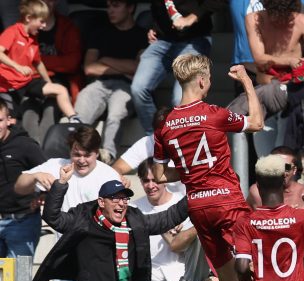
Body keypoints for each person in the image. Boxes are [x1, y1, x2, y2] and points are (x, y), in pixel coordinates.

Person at [152, 54, 262, 281]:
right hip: (225, 200)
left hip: (198, 207)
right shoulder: (214, 113)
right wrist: (248, 84)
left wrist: (190, 170)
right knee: (259, 270)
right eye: (209, 79)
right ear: (202, 80)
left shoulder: (166, 125)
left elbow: (160, 174)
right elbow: (257, 122)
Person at [33, 173, 190, 281]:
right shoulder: (83, 219)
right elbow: (52, 217)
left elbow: (169, 218)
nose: (121, 204)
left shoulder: (133, 221)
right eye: (115, 198)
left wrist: (195, 193)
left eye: (124, 199)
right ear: (101, 202)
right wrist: (60, 184)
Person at [14, 125, 120, 281]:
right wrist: (35, 176)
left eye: (87, 155)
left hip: (97, 259)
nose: (81, 160)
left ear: (97, 152)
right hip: (64, 255)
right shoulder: (57, 166)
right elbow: (19, 187)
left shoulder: (108, 175)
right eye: (76, 154)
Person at [227, 0, 304, 156]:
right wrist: (290, 61)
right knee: (264, 156)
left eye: (284, 16)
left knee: (284, 155)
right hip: (266, 91)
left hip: (292, 91)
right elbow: (260, 59)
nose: (278, 20)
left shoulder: (301, 20)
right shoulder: (254, 18)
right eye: (274, 15)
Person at [131, 0, 226, 135]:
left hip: (195, 39)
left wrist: (191, 18)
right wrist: (155, 26)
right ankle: (156, 140)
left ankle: (182, 145)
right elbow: (157, 6)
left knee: (181, 98)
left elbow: (219, 3)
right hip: (163, 39)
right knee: (138, 88)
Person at [74, 0, 147, 165]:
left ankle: (107, 157)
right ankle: (79, 153)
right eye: (108, 6)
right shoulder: (99, 33)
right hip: (99, 84)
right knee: (81, 111)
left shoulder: (143, 35)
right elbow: (89, 68)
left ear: (130, 7)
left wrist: (105, 60)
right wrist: (125, 68)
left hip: (127, 86)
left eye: (116, 6)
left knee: (115, 114)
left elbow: (138, 68)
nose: (110, 11)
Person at [131, 158, 208, 281]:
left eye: (155, 180)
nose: (151, 186)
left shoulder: (182, 203)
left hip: (176, 278)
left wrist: (173, 232)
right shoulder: (134, 208)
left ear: (164, 179)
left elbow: (182, 247)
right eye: (146, 181)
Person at [0, 0, 81, 122]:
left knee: (60, 89)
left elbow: (38, 63)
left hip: (25, 82)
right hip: (8, 86)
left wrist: (48, 83)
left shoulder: (33, 39)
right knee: (10, 122)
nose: (44, 26)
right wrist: (18, 67)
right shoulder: (12, 32)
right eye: (41, 21)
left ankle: (74, 119)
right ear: (28, 18)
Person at [21, 0, 82, 144]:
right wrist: (55, 62)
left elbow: (72, 63)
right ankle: (34, 155)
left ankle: (42, 156)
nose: (46, 3)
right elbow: (19, 60)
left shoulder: (68, 27)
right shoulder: (27, 28)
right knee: (29, 113)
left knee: (50, 112)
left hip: (58, 81)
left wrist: (38, 61)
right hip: (31, 82)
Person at [0, 98, 46, 258]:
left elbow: (48, 174)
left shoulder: (25, 145)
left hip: (22, 221)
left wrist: (42, 196)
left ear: (9, 120)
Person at [247, 146, 304, 210]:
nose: (281, 171)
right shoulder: (256, 192)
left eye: (286, 167)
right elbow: (246, 218)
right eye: (276, 166)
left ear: (294, 170)